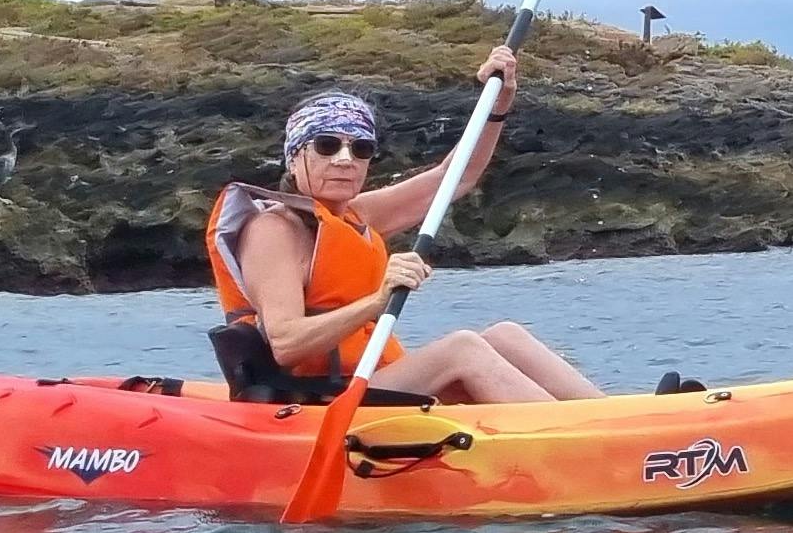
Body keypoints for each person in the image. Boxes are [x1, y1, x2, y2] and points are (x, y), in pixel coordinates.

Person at [203, 52, 603, 406]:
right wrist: (378, 302)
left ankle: (616, 421)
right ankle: (580, 444)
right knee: (462, 348)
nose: (345, 160)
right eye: (327, 146)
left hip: (368, 379)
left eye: (360, 149)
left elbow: (454, 178)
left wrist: (497, 105)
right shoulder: (273, 229)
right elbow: (286, 343)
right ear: (294, 159)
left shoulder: (355, 215)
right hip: (316, 395)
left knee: (505, 334)